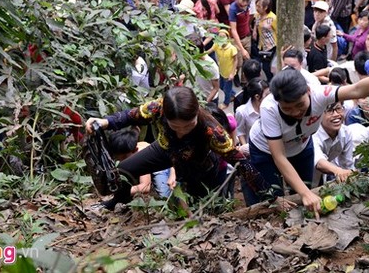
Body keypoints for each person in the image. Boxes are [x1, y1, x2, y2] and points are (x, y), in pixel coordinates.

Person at [245, 63, 369, 217]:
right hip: (265, 150)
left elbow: (357, 89)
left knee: (307, 188)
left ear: (308, 91)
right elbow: (279, 156)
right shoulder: (269, 108)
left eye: (300, 105)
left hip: (302, 145)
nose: (296, 112)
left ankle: (303, 225)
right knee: (275, 197)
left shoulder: (320, 94)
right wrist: (305, 194)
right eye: (287, 109)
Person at [86, 87, 267, 210]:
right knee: (123, 171)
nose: (181, 131)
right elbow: (132, 115)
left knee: (202, 206)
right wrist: (105, 122)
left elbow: (241, 162)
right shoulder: (159, 107)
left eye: (188, 126)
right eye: (175, 126)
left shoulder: (213, 131)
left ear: (196, 113)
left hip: (199, 166)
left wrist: (267, 195)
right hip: (165, 150)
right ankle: (117, 202)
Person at [312, 101, 355, 187]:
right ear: (318, 115)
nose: (336, 114)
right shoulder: (313, 133)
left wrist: (351, 175)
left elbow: (347, 164)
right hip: (302, 172)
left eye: (338, 109)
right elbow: (319, 161)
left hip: (323, 175)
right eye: (329, 110)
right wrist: (338, 171)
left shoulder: (346, 133)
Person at [235, 78, 269, 152]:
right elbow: (240, 131)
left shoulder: (270, 107)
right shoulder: (242, 111)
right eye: (267, 95)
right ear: (257, 97)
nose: (270, 97)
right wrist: (247, 149)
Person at [212, 30, 239, 110]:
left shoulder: (232, 48)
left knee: (226, 89)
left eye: (223, 37)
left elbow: (235, 60)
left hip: (229, 73)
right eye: (220, 37)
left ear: (227, 38)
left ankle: (226, 102)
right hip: (221, 71)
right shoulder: (217, 45)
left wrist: (232, 73)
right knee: (221, 86)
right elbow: (209, 51)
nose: (221, 38)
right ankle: (233, 94)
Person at [253, 0, 277, 81]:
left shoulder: (273, 18)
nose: (257, 8)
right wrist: (254, 31)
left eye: (259, 6)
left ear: (265, 7)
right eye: (256, 6)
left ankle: (271, 81)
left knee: (267, 67)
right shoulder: (257, 15)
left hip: (271, 46)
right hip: (261, 44)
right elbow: (256, 23)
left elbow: (278, 31)